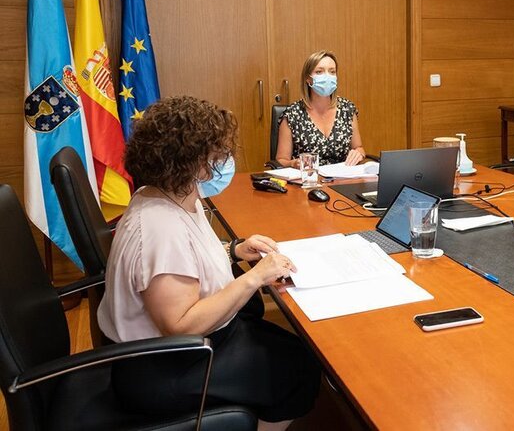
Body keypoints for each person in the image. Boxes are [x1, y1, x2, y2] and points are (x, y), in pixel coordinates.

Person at [98, 96, 320, 430]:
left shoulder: (172, 194)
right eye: (217, 153)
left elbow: (190, 259)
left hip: (188, 349)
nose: (225, 160)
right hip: (167, 367)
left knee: (293, 346)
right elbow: (181, 325)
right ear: (192, 162)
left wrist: (235, 250)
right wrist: (254, 278)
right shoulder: (160, 228)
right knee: (299, 368)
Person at [275, 50, 365, 167]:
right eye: (319, 72)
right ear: (308, 79)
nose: (327, 76)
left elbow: (359, 148)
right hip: (308, 180)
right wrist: (293, 163)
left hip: (342, 180)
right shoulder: (292, 115)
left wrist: (358, 153)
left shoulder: (347, 109)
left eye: (332, 72)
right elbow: (281, 160)